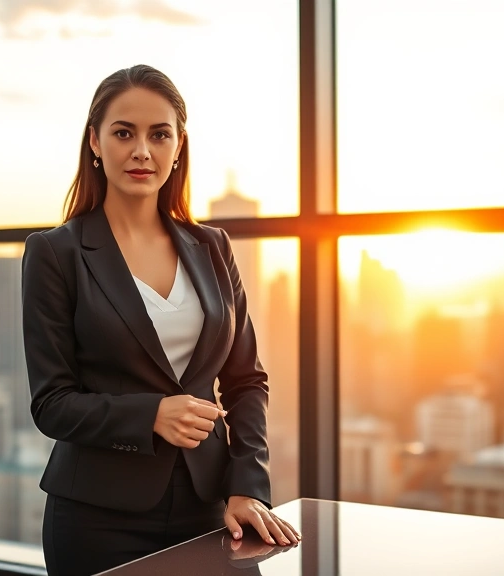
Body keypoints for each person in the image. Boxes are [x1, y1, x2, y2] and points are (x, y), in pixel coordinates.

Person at [21, 64, 300, 576]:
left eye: (159, 134)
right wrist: (151, 415)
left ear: (179, 146)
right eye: (123, 133)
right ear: (95, 143)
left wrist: (246, 486)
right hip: (97, 518)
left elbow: (246, 381)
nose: (142, 151)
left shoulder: (212, 247)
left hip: (210, 508)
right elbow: (51, 403)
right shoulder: (55, 253)